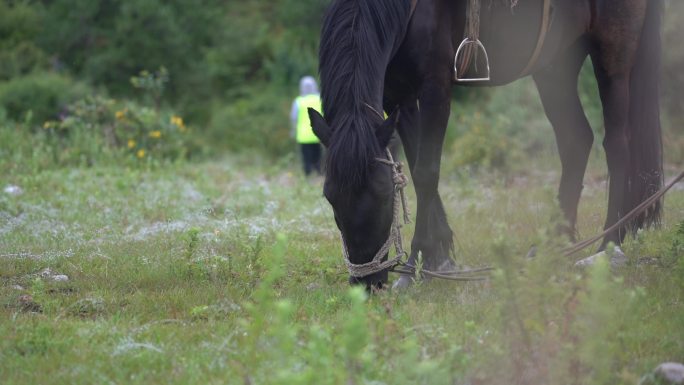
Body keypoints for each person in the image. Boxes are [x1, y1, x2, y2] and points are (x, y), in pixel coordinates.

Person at [290, 76, 323, 176]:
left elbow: (293, 118)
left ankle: (308, 176)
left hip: (303, 136)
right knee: (318, 156)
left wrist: (293, 130)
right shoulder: (319, 99)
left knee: (306, 158)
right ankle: (318, 174)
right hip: (318, 134)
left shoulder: (298, 101)